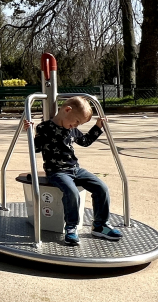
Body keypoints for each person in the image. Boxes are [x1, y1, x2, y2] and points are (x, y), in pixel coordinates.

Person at [21, 96, 123, 246]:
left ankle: (100, 225)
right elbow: (35, 149)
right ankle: (71, 226)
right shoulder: (44, 128)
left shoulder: (72, 130)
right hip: (57, 171)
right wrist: (29, 132)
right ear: (67, 110)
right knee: (72, 191)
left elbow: (86, 141)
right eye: (76, 121)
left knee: (101, 187)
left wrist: (98, 126)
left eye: (79, 124)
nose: (75, 125)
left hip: (75, 169)